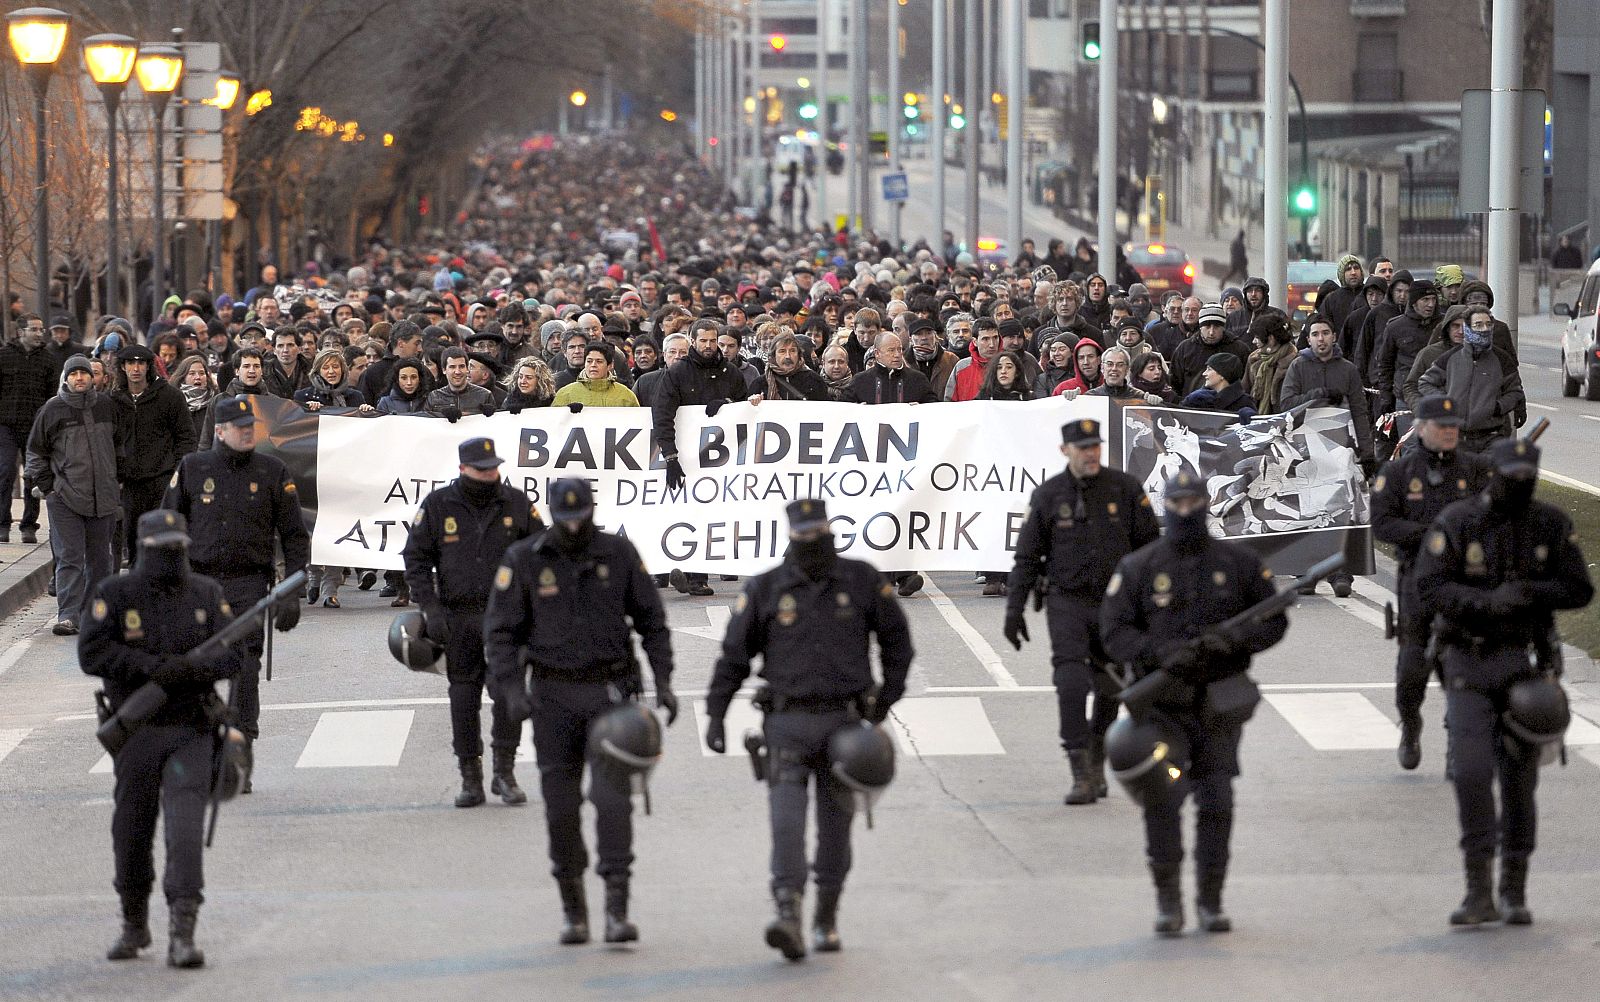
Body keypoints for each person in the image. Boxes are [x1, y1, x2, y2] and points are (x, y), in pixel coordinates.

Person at [703, 498, 912, 959]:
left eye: (818, 532)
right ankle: (788, 913)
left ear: (829, 531)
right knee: (786, 824)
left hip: (844, 726)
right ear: (792, 535)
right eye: (804, 534)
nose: (811, 542)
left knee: (836, 830)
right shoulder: (767, 588)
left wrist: (884, 700)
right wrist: (715, 713)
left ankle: (826, 916)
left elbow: (898, 641)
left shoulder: (860, 579)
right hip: (787, 724)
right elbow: (734, 655)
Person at [484, 478, 677, 945]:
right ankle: (574, 909)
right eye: (565, 518)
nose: (574, 526)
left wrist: (664, 681)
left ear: (592, 509)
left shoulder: (618, 554)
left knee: (613, 803)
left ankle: (616, 907)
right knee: (561, 808)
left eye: (581, 516)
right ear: (551, 513)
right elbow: (502, 631)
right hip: (552, 695)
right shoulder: (524, 559)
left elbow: (652, 621)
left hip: (610, 693)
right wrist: (510, 689)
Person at [1100, 471, 1290, 935]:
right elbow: (1114, 632)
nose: (1186, 510)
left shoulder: (1238, 562)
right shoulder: (1141, 566)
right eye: (1178, 502)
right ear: (1167, 505)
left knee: (1217, 802)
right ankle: (1169, 900)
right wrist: (1160, 654)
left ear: (1207, 503)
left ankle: (1211, 899)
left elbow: (1273, 620)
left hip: (1219, 704)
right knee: (1162, 802)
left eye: (1194, 502)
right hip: (1163, 704)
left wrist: (1232, 644)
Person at [1412, 439, 1592, 926]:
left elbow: (1579, 587)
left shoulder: (1549, 523)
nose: (1516, 485)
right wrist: (1485, 603)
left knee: (1519, 783)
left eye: (1524, 478)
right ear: (1493, 474)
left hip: (1525, 663)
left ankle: (1513, 886)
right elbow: (1428, 587)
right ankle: (1477, 890)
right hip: (1469, 660)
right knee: (1471, 774)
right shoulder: (1459, 520)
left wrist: (1531, 593)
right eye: (1508, 476)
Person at [78, 509, 241, 968]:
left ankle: (182, 932)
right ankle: (134, 923)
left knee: (185, 832)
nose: (171, 556)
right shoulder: (116, 592)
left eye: (177, 546)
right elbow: (92, 653)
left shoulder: (205, 593)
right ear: (143, 548)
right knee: (131, 831)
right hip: (137, 732)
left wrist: (193, 669)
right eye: (162, 548)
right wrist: (150, 667)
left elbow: (233, 655)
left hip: (191, 728)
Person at [1006, 420, 1159, 804]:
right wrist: (1014, 609)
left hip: (1116, 604)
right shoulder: (1048, 495)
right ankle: (1080, 771)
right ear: (1065, 451)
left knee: (1110, 685)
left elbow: (1150, 551)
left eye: (1095, 446)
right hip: (1067, 602)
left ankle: (1096, 751)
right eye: (1083, 447)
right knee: (1071, 682)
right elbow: (1027, 557)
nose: (1091, 453)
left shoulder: (1125, 489)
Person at [162, 396, 308, 792]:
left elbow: (295, 535)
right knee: (198, 672)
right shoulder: (193, 468)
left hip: (248, 584)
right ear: (221, 431)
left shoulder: (272, 470)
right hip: (199, 584)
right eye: (239, 426)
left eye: (251, 426)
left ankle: (240, 754)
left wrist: (292, 589)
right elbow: (167, 527)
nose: (248, 432)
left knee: (244, 669)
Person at [403, 437, 544, 807]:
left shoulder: (516, 502)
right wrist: (430, 607)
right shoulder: (438, 506)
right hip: (458, 615)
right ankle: (470, 776)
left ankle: (505, 772)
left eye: (493, 467)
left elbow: (543, 553)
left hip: (507, 617)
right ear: (463, 468)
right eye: (481, 469)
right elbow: (415, 558)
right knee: (463, 695)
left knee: (507, 693)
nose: (489, 474)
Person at [1369, 395, 1492, 770]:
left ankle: (1458, 740)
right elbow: (1382, 523)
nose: (1450, 432)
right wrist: (1430, 534)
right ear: (1422, 429)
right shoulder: (1398, 474)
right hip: (1417, 579)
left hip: (1463, 582)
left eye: (1454, 426)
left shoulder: (1475, 469)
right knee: (1412, 666)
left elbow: (1495, 515)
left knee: (1463, 667)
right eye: (1442, 426)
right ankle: (1410, 723)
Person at [26, 355, 124, 635]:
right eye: (74, 374)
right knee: (70, 557)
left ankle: (95, 614)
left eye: (84, 373)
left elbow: (120, 444)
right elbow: (35, 452)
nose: (80, 378)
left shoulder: (106, 405)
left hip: (103, 497)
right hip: (66, 498)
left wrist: (118, 478)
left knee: (100, 559)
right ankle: (68, 614)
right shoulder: (52, 410)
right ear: (66, 378)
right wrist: (49, 488)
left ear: (93, 378)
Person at [650, 320, 748, 597]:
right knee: (687, 512)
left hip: (724, 459)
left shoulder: (732, 373)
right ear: (692, 341)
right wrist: (670, 457)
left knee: (714, 513)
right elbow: (662, 414)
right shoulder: (678, 372)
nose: (708, 346)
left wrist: (729, 407)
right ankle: (690, 572)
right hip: (687, 457)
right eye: (702, 340)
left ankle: (700, 575)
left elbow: (746, 409)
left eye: (712, 340)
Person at [112, 344, 199, 566]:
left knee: (162, 538)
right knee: (132, 538)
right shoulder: (113, 400)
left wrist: (176, 473)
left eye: (141, 363)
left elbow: (186, 437)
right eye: (131, 363)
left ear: (149, 366)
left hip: (162, 479)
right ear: (123, 367)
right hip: (128, 483)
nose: (136, 368)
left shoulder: (169, 396)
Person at [1417, 306, 1523, 454]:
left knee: (1488, 476)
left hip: (1492, 437)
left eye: (1488, 324)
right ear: (1467, 328)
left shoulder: (1502, 359)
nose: (1484, 329)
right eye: (1478, 325)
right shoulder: (1450, 358)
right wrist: (1446, 402)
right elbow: (1425, 383)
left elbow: (1515, 391)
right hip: (1457, 438)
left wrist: (1497, 407)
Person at [0, 313, 56, 543]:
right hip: (5, 424)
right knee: (5, 472)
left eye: (41, 329)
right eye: (34, 329)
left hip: (35, 426)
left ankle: (29, 524)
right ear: (20, 331)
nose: (39, 333)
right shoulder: (3, 356)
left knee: (32, 474)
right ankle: (2, 523)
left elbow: (52, 395)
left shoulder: (48, 359)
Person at [552, 344, 639, 409]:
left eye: (599, 361)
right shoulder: (565, 394)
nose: (593, 365)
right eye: (589, 361)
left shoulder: (626, 396)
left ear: (610, 365)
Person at [1181, 353, 1257, 422]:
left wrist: (1253, 419)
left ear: (1222, 374)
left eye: (1209, 369)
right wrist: (1188, 402)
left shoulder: (1244, 402)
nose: (1204, 373)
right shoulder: (1199, 399)